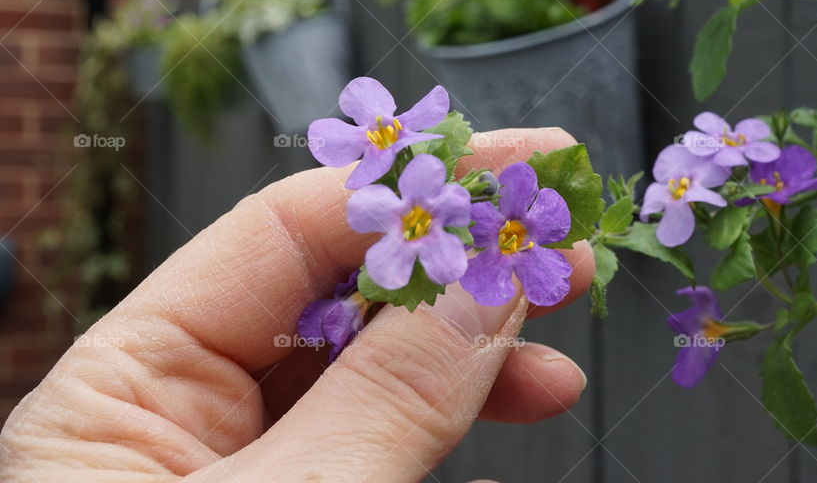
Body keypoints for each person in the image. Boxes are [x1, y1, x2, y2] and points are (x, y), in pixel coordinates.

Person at [0, 128, 594, 482]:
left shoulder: (457, 216)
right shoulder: (408, 229)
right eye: (508, 238)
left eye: (514, 240)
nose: (511, 242)